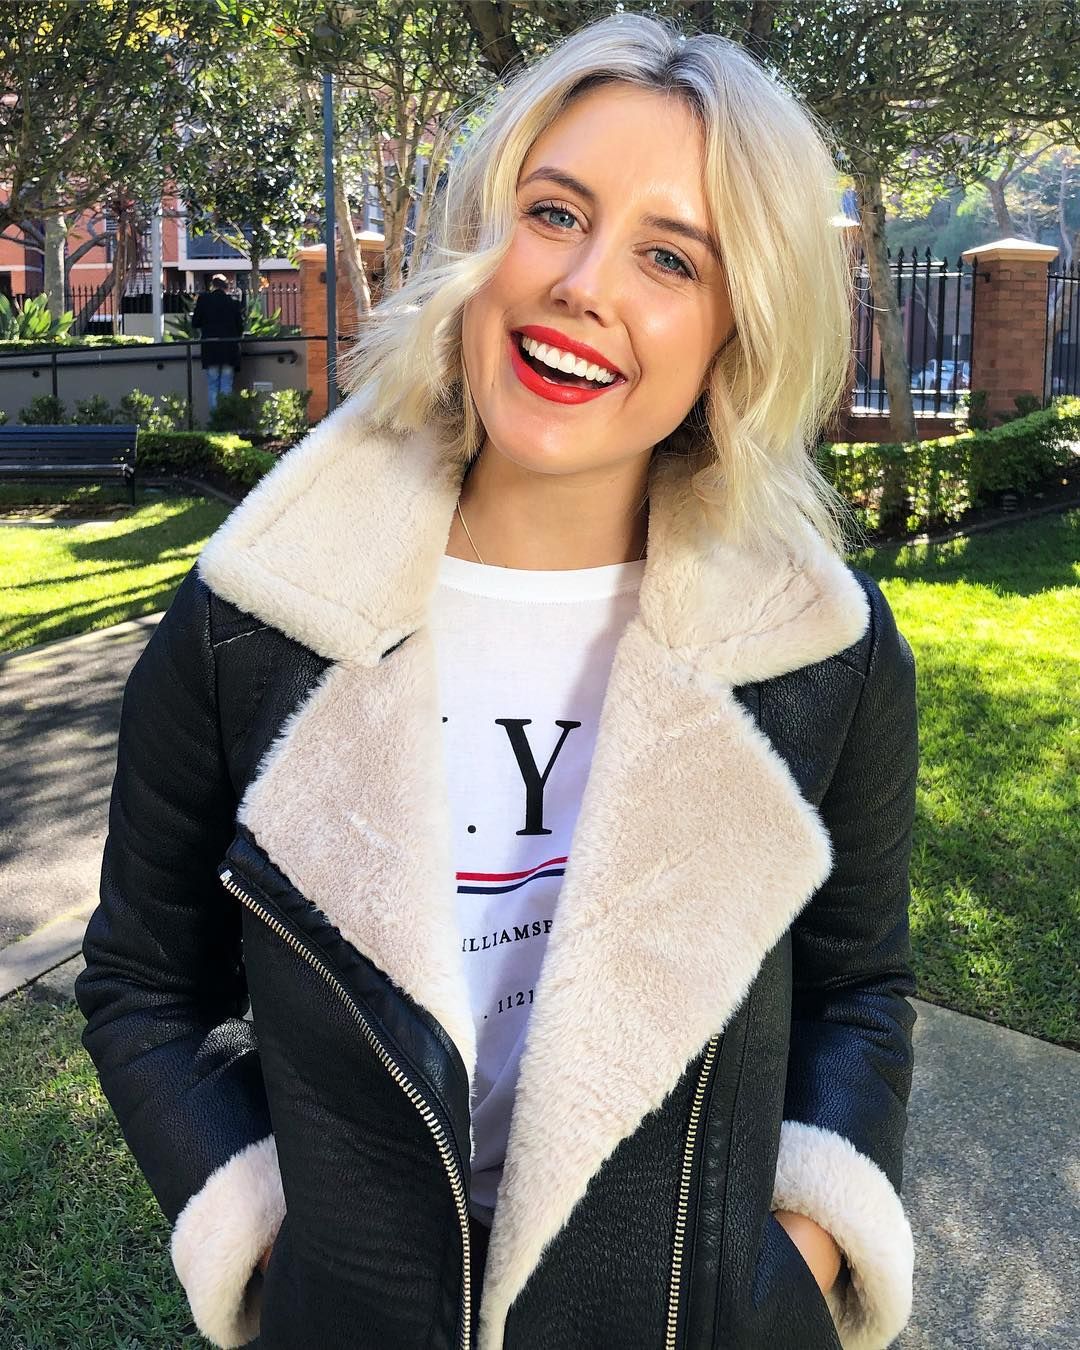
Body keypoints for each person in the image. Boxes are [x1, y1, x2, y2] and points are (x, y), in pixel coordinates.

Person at [75, 13, 918, 1350]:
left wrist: (792, 1268)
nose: (584, 283)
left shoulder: (823, 654)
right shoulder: (254, 620)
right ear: (482, 239)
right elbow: (141, 982)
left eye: (669, 256)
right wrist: (286, 1247)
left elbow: (860, 992)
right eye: (554, 212)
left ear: (736, 331)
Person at [192, 272, 244, 412]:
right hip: (229, 348)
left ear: (213, 286)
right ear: (226, 287)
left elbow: (195, 323)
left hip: (210, 347)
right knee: (226, 384)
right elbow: (240, 327)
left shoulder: (204, 300)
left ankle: (215, 418)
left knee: (213, 385)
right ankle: (225, 417)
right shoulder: (233, 303)